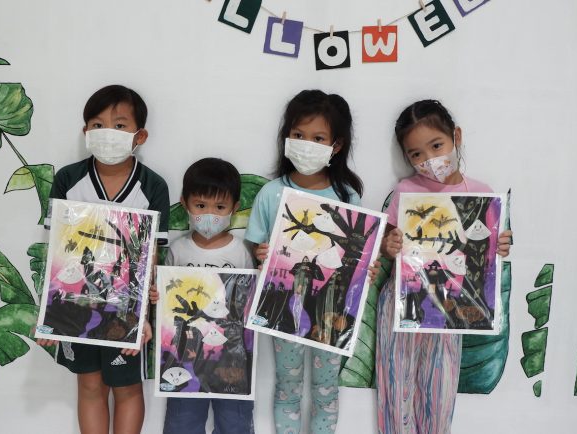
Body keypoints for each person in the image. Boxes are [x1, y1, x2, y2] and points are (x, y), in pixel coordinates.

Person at [38, 84, 170, 434]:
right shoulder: (68, 179)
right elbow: (57, 249)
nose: (107, 132)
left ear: (139, 135)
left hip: (126, 309)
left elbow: (152, 254)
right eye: (98, 124)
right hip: (76, 304)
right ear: (86, 131)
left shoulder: (152, 186)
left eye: (120, 124)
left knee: (127, 387)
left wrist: (144, 315)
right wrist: (50, 315)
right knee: (89, 384)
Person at [376, 99, 512, 434]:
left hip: (449, 308)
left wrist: (499, 247)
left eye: (436, 146)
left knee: (439, 391)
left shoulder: (480, 193)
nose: (429, 160)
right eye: (416, 154)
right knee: (396, 385)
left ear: (456, 137)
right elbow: (388, 242)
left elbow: (484, 255)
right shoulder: (406, 191)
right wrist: (389, 245)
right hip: (403, 303)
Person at [245, 89, 364, 434]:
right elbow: (256, 246)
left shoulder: (347, 196)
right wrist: (261, 254)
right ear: (286, 136)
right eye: (298, 134)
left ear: (336, 145)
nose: (306, 144)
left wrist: (365, 267)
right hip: (285, 307)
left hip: (332, 307)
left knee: (327, 388)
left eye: (318, 138)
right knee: (288, 384)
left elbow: (357, 253)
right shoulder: (271, 193)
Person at [152, 157, 255, 434]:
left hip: (231, 356)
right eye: (200, 205)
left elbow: (249, 300)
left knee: (235, 421)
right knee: (182, 420)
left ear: (234, 207)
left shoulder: (241, 251)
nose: (210, 214)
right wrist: (157, 296)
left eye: (219, 207)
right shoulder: (178, 250)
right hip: (185, 354)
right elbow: (167, 301)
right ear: (185, 203)